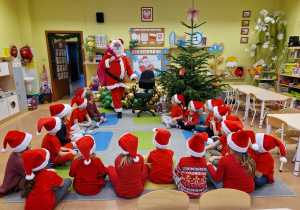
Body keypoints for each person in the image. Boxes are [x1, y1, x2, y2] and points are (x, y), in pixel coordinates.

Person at [207, 130, 256, 194]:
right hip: (248, 192)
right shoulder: (248, 157)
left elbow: (217, 178)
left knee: (209, 167)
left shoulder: (225, 159)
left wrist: (209, 165)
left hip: (230, 191)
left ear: (230, 145)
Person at [100, 39, 137, 118]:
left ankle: (114, 104)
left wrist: (132, 76)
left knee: (121, 93)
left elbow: (128, 67)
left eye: (118, 45)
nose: (117, 47)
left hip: (121, 79)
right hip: (112, 79)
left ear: (121, 46)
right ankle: (119, 111)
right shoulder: (108, 55)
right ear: (112, 46)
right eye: (115, 45)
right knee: (116, 94)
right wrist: (109, 60)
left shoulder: (123, 56)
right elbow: (102, 64)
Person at [108, 133, 149, 198]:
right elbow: (140, 173)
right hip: (138, 191)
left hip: (120, 191)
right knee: (145, 166)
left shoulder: (117, 160)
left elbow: (118, 174)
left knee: (110, 167)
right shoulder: (140, 158)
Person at [173, 132, 209, 197]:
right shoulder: (204, 161)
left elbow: (177, 173)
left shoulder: (183, 160)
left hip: (185, 191)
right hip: (201, 191)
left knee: (174, 173)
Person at [0, 131, 32, 198]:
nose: (31, 144)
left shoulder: (15, 154)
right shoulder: (19, 161)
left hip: (18, 177)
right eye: (29, 143)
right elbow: (28, 173)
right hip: (15, 184)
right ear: (24, 147)